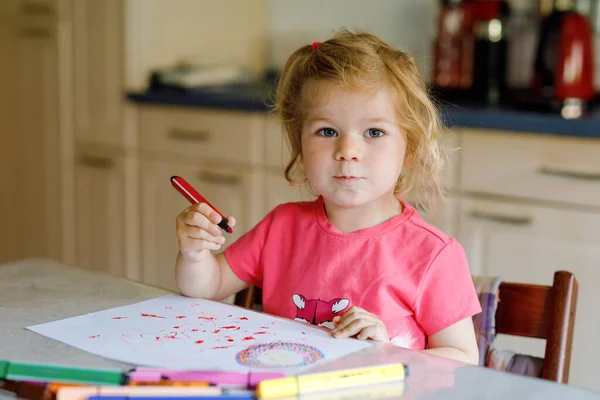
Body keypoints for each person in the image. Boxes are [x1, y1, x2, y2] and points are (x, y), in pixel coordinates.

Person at [175, 30, 481, 364]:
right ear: (301, 148)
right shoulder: (281, 227)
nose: (347, 151)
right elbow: (207, 287)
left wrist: (388, 353)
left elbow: (464, 359)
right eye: (328, 131)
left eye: (374, 132)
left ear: (410, 147)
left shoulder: (433, 255)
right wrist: (194, 254)